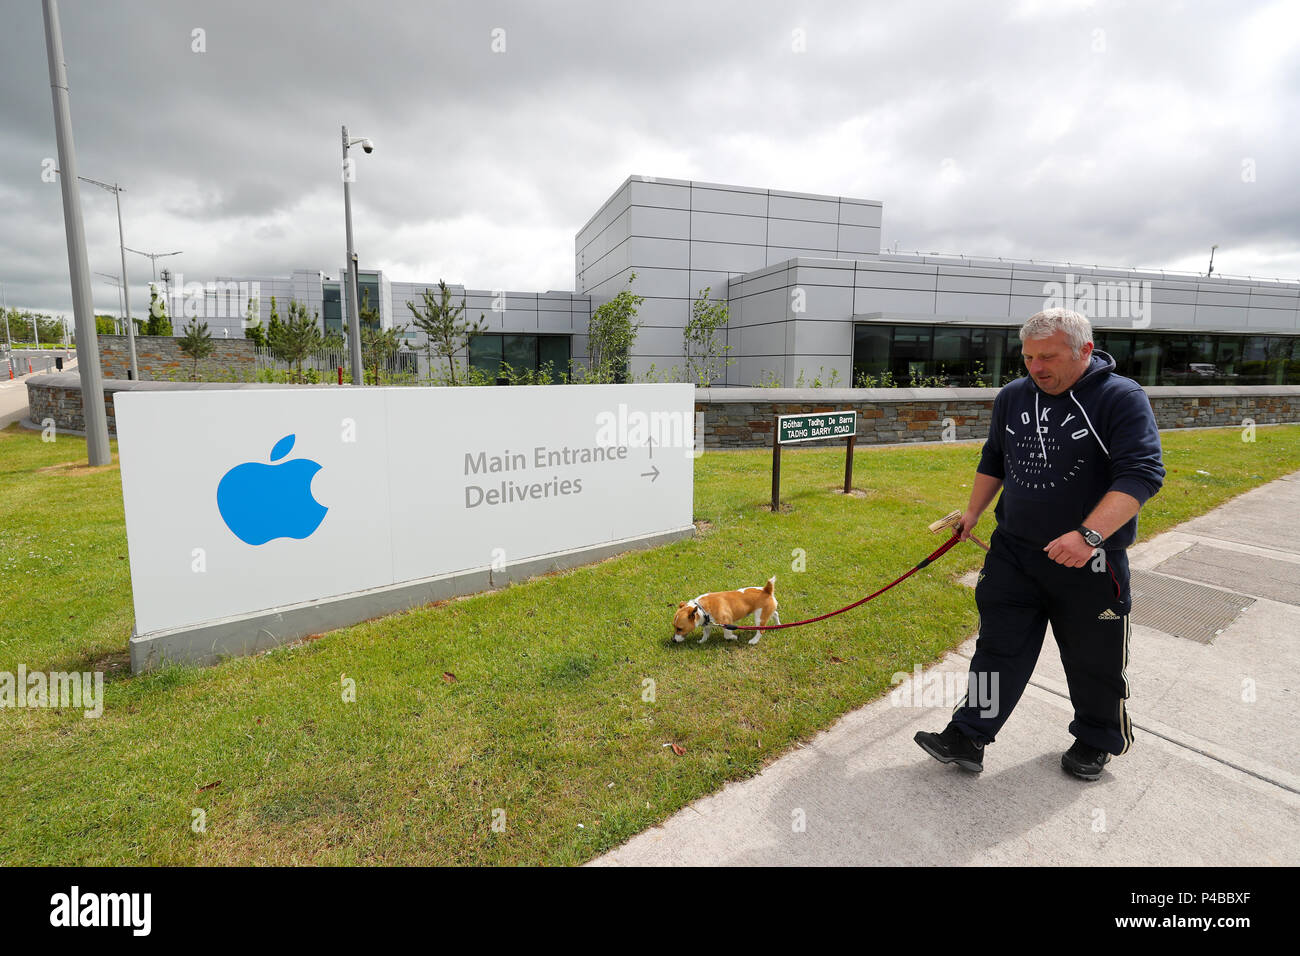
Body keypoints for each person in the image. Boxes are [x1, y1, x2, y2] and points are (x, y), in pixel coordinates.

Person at [914, 308, 1165, 780]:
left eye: (1048, 356)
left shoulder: (1120, 398)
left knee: (1094, 658)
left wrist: (1089, 535)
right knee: (997, 648)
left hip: (1089, 562)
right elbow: (995, 456)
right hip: (1013, 553)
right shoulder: (1013, 396)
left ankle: (1096, 739)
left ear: (1085, 350)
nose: (1037, 367)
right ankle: (968, 734)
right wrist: (974, 512)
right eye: (1028, 357)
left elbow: (1143, 472)